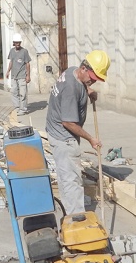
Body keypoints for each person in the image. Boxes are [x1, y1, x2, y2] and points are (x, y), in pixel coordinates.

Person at [45, 50, 110, 215]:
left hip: (56, 132)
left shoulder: (72, 71)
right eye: (93, 79)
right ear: (84, 68)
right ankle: (77, 219)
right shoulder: (70, 89)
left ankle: (70, 212)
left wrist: (88, 90)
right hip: (64, 138)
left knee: (66, 178)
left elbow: (80, 84)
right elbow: (68, 122)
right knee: (72, 181)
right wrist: (91, 139)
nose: (93, 82)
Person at [6, 33, 32, 115]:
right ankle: (17, 107)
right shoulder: (11, 51)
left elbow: (27, 64)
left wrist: (28, 75)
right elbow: (11, 62)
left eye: (19, 43)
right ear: (14, 42)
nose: (17, 44)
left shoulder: (24, 51)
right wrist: (8, 71)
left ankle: (23, 109)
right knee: (14, 92)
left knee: (23, 93)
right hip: (14, 76)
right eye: (16, 42)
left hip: (22, 76)